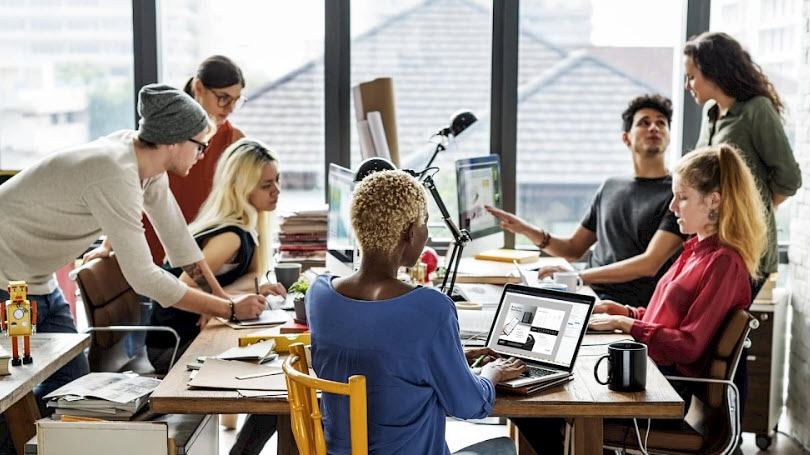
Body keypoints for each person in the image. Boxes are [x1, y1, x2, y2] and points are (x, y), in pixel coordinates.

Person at [0, 83, 265, 453]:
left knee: (69, 391)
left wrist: (225, 302)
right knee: (17, 398)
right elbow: (145, 278)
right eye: (200, 145)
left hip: (35, 280)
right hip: (5, 277)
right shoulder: (115, 172)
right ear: (174, 141)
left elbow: (178, 241)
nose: (203, 154)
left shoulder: (145, 164)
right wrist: (228, 309)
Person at [307, 170, 526, 454]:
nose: (427, 232)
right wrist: (491, 372)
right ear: (410, 233)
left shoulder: (320, 294)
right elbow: (469, 405)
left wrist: (454, 356)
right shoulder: (430, 308)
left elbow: (379, 353)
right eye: (425, 223)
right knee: (504, 448)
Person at [145, 138, 285, 455]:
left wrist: (251, 291)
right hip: (174, 345)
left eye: (277, 180)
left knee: (279, 384)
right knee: (279, 389)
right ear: (241, 188)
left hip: (189, 338)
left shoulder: (245, 227)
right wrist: (229, 306)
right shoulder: (230, 235)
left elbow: (229, 281)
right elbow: (184, 285)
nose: (276, 190)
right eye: (266, 185)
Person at [589, 143, 767, 389]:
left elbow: (688, 346)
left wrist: (624, 324)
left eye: (682, 197)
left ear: (714, 201)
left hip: (669, 389)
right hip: (654, 374)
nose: (672, 207)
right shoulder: (695, 252)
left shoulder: (723, 263)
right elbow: (665, 322)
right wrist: (625, 313)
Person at [487, 94, 687, 308]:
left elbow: (650, 264)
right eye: (644, 123)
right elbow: (573, 249)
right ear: (626, 138)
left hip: (628, 307)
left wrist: (579, 275)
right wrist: (526, 229)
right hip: (588, 294)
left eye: (661, 123)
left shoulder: (677, 194)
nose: (654, 128)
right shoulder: (611, 186)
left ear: (668, 135)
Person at [684, 31, 802, 298]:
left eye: (692, 77)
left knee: (721, 330)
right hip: (715, 241)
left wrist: (749, 207)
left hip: (748, 244)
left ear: (713, 72)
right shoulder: (711, 113)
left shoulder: (756, 110)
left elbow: (789, 178)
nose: (687, 85)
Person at [145, 55, 247, 265]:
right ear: (199, 87)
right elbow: (136, 185)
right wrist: (110, 243)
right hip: (154, 248)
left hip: (204, 252)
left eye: (236, 101)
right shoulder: (165, 130)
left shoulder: (235, 139)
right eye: (224, 98)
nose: (229, 108)